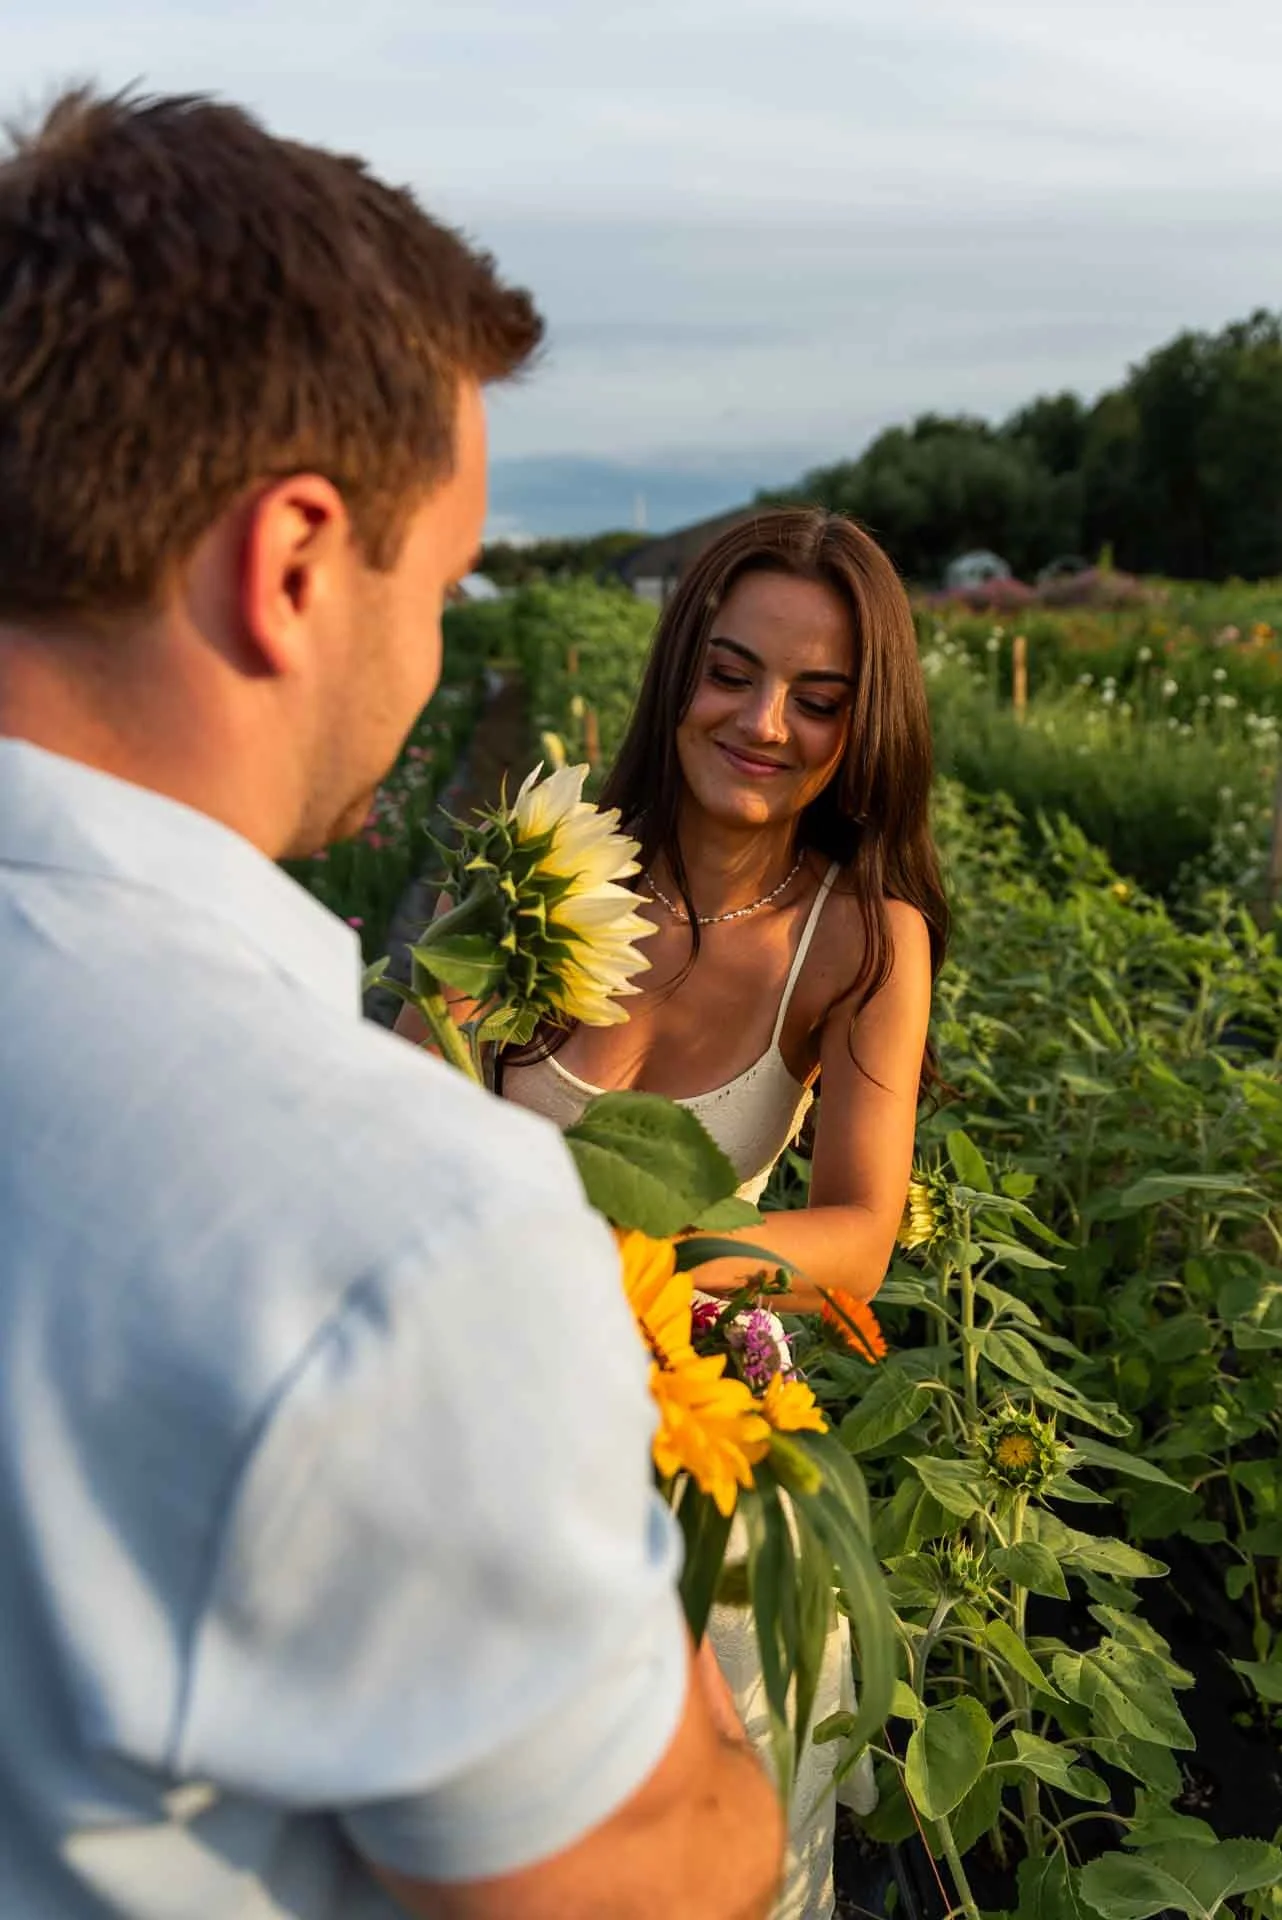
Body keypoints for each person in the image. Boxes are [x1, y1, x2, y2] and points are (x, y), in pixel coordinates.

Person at [0, 87, 785, 1920]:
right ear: (288, 567)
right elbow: (631, 1878)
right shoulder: (385, 1233)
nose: (436, 652)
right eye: (431, 582)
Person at [404, 508, 947, 1916]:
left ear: (862, 719)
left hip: (676, 1428)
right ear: (676, 676)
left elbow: (858, 1233)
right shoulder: (549, 871)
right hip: (478, 1429)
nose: (764, 721)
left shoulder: (863, 938)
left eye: (818, 699)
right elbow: (399, 1134)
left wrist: (638, 1276)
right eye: (730, 672)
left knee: (715, 1835)